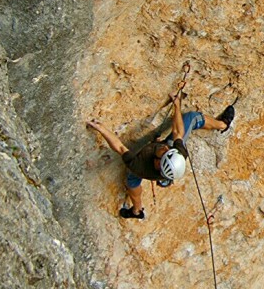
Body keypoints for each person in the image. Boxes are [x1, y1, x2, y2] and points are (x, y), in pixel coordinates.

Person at [87, 94, 234, 219]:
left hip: (148, 165)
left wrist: (101, 129)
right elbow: (178, 132)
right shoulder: (177, 153)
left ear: (158, 163)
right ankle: (222, 125)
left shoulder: (139, 165)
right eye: (167, 150)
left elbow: (119, 146)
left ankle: (136, 210)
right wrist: (177, 105)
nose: (165, 148)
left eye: (164, 152)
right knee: (192, 117)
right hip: (164, 166)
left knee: (131, 179)